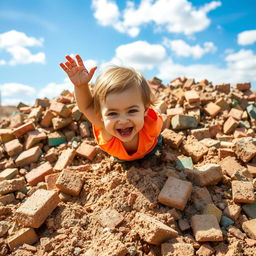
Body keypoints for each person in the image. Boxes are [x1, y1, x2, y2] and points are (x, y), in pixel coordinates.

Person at [60, 54, 163, 162]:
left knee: (158, 141)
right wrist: (81, 86)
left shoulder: (152, 124)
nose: (123, 121)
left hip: (151, 150)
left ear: (145, 110)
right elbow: (86, 106)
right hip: (121, 159)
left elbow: (161, 122)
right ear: (100, 116)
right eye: (112, 113)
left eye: (132, 111)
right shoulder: (106, 128)